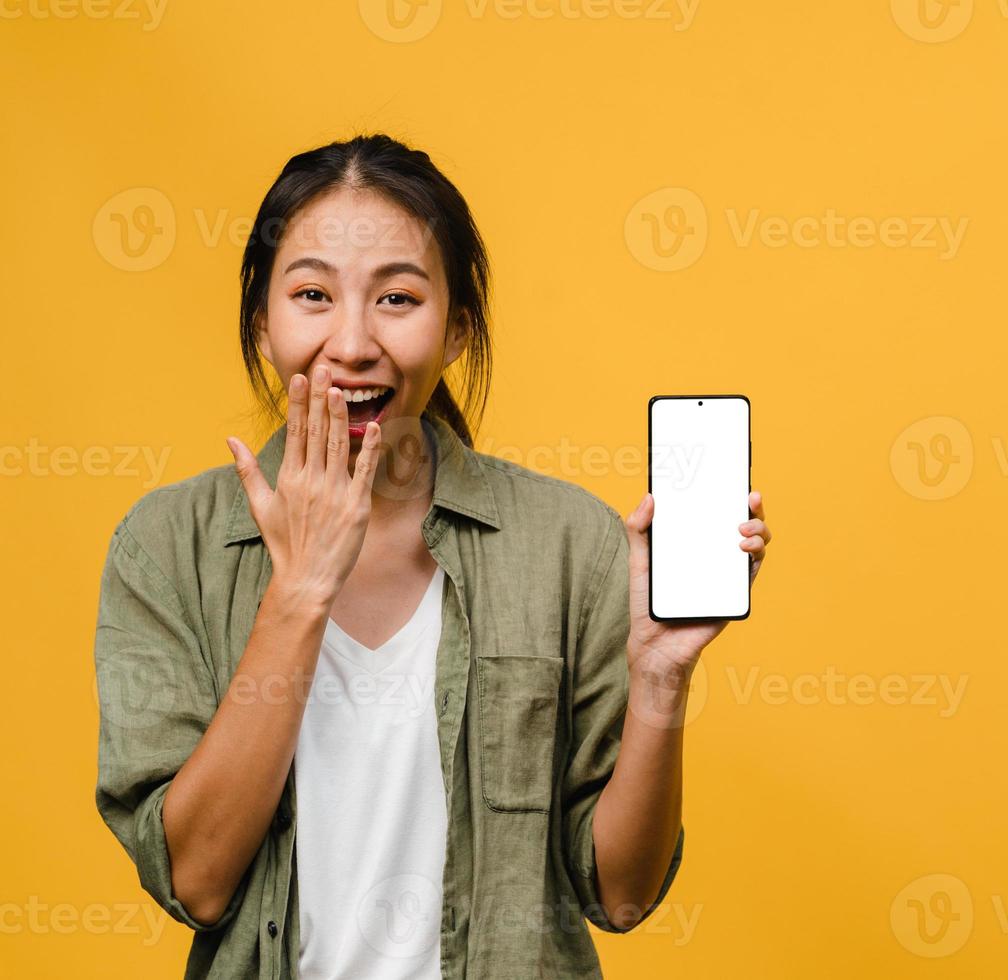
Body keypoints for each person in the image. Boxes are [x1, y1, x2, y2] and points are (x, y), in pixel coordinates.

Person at [92, 133, 772, 978]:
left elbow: (623, 896)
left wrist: (663, 676)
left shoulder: (569, 543)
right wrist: (300, 591)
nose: (351, 344)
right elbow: (196, 882)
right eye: (311, 294)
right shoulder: (166, 547)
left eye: (398, 300)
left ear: (456, 329)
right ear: (263, 325)